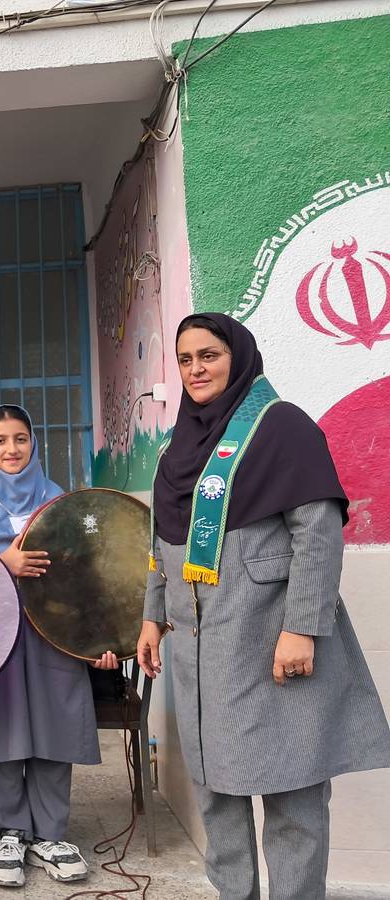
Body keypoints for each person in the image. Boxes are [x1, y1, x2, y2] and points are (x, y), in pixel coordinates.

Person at [136, 313, 390, 900]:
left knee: (293, 789)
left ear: (238, 355)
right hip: (201, 650)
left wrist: (302, 628)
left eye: (209, 355)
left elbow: (319, 532)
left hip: (268, 637)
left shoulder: (282, 427)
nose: (196, 369)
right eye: (185, 359)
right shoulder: (179, 444)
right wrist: (152, 615)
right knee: (216, 793)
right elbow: (161, 539)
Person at [0, 406, 118, 888]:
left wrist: (98, 637)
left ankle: (50, 835)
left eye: (20, 439)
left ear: (33, 443)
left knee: (53, 724)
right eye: (0, 440)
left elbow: (85, 572)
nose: (12, 450)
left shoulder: (56, 498)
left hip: (51, 635)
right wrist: (3, 562)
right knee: (1, 726)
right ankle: (10, 831)